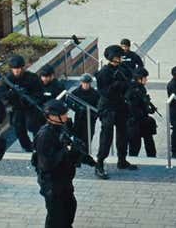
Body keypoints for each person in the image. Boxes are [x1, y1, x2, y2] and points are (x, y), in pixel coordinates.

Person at [33, 100, 96, 228]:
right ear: (53, 117)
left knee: (70, 208)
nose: (66, 116)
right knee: (56, 217)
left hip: (64, 179)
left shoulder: (61, 128)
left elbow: (72, 148)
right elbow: (46, 164)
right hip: (52, 183)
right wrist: (65, 150)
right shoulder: (44, 135)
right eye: (63, 114)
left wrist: (85, 158)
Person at [95, 45, 137, 179]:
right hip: (108, 107)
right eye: (118, 57)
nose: (120, 59)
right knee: (106, 137)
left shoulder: (123, 69)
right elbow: (103, 92)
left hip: (121, 106)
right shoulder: (104, 72)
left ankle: (122, 160)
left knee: (123, 135)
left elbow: (130, 81)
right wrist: (117, 84)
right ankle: (100, 163)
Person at [0, 55, 44, 152]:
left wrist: (33, 99)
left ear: (22, 68)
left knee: (33, 126)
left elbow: (39, 92)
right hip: (17, 108)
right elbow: (1, 94)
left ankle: (39, 145)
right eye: (14, 69)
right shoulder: (8, 79)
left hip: (30, 107)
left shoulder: (32, 78)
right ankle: (27, 146)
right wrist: (11, 93)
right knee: (18, 128)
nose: (16, 71)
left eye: (18, 68)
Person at [125, 67, 157, 157]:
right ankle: (133, 160)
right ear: (139, 79)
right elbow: (133, 107)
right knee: (135, 144)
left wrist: (148, 109)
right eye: (145, 78)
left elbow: (143, 104)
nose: (146, 79)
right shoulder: (131, 90)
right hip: (134, 121)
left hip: (142, 119)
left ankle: (152, 157)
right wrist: (146, 109)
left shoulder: (141, 88)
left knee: (149, 141)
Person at [68, 73, 100, 145]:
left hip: (90, 118)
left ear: (90, 83)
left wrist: (95, 115)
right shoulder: (76, 92)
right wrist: (77, 108)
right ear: (81, 82)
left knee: (88, 138)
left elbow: (98, 106)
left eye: (87, 83)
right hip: (79, 118)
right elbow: (69, 101)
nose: (85, 85)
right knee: (77, 137)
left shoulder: (95, 94)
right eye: (84, 83)